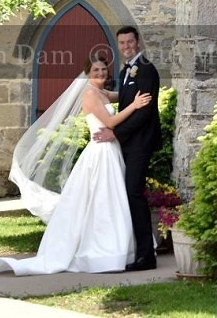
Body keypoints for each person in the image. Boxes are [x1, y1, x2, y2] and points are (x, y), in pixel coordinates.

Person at [0, 57, 152, 275]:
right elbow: (111, 122)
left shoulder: (103, 93)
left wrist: (140, 87)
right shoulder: (89, 93)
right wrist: (135, 105)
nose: (101, 73)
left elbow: (122, 95)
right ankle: (102, 251)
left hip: (111, 152)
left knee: (114, 199)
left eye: (104, 69)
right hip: (100, 152)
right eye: (96, 70)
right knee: (101, 199)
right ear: (87, 72)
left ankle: (124, 250)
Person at [92, 26, 162, 271]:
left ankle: (146, 257)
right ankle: (133, 249)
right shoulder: (125, 71)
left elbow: (144, 112)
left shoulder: (146, 70)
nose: (126, 47)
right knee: (127, 195)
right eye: (121, 43)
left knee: (134, 194)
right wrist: (95, 93)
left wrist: (115, 133)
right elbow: (125, 101)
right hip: (128, 143)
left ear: (138, 42)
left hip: (140, 142)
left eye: (129, 42)